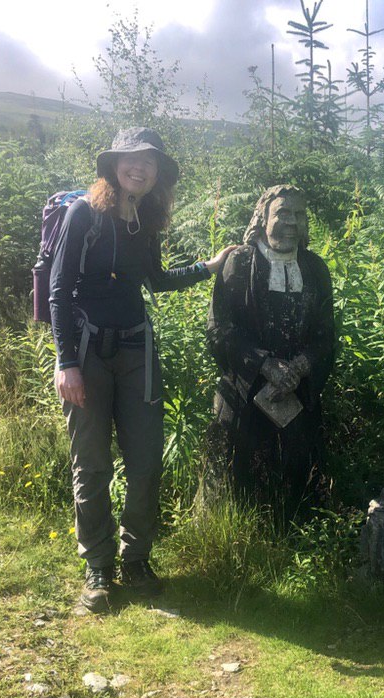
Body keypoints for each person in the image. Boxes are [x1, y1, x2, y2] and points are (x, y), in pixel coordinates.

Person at [50, 127, 234, 613]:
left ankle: (136, 560)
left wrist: (209, 267)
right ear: (114, 165)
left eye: (150, 163)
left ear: (157, 175)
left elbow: (155, 280)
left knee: (146, 460)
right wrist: (66, 361)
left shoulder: (145, 222)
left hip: (137, 353)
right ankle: (98, 567)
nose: (141, 169)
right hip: (87, 355)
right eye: (133, 160)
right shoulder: (82, 214)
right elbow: (59, 290)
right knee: (91, 464)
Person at [205, 185, 335, 525]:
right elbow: (220, 330)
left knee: (299, 484)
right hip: (244, 395)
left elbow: (326, 336)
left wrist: (301, 367)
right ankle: (234, 537)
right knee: (239, 484)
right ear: (263, 218)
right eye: (282, 213)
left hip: (298, 393)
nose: (292, 222)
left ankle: (299, 536)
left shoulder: (316, 269)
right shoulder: (240, 263)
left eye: (299, 214)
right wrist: (264, 365)